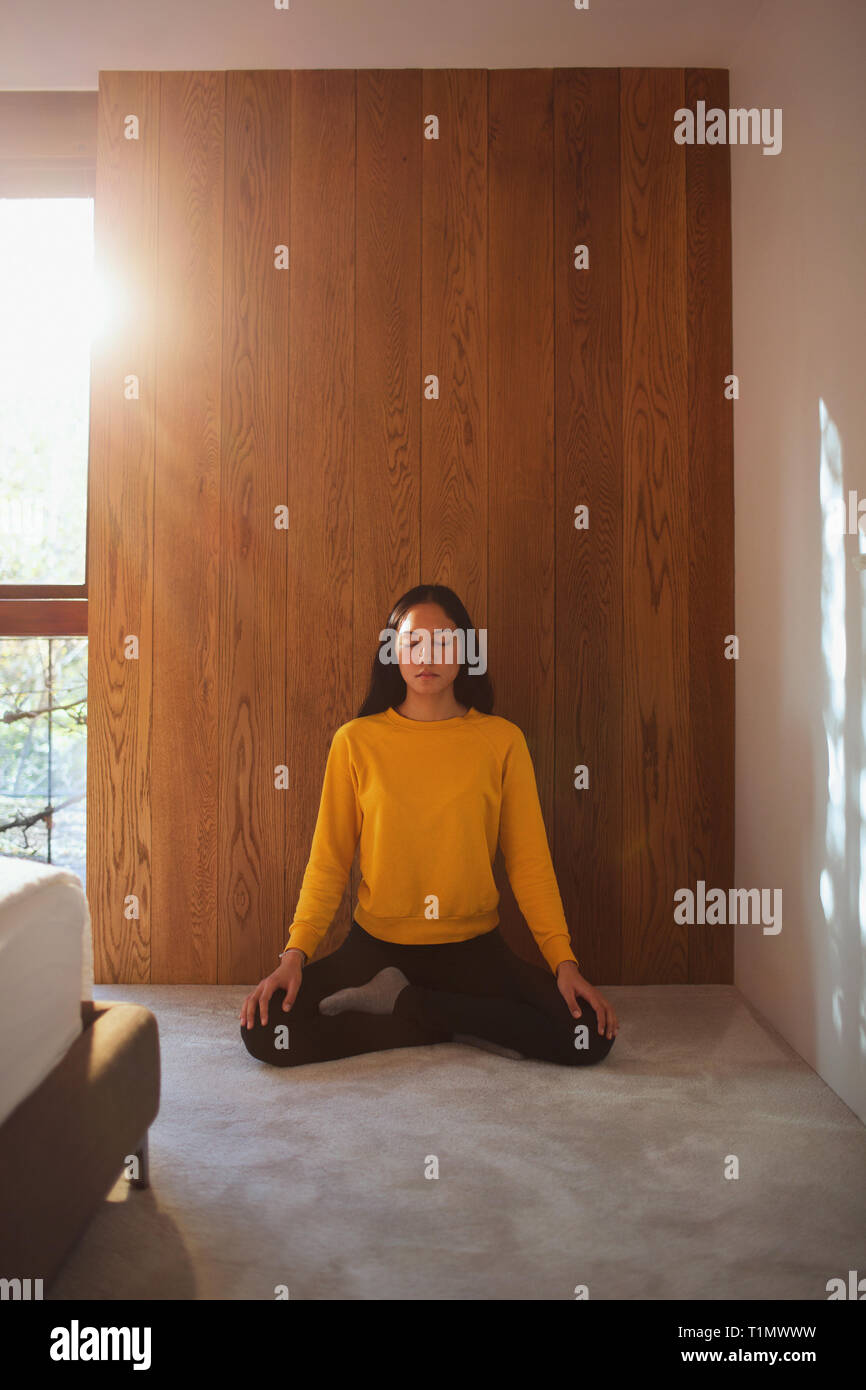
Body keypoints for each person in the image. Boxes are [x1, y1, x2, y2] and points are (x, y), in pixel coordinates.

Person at [240, 583, 618, 1069]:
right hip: (377, 948)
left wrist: (564, 963)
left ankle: (413, 1007)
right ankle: (450, 1019)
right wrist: (293, 956)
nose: (427, 655)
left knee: (588, 1035)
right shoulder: (357, 741)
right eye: (413, 641)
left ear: (466, 651)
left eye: (444, 641)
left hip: (474, 947)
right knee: (267, 1031)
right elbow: (329, 861)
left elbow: (529, 864)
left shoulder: (501, 741)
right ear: (392, 651)